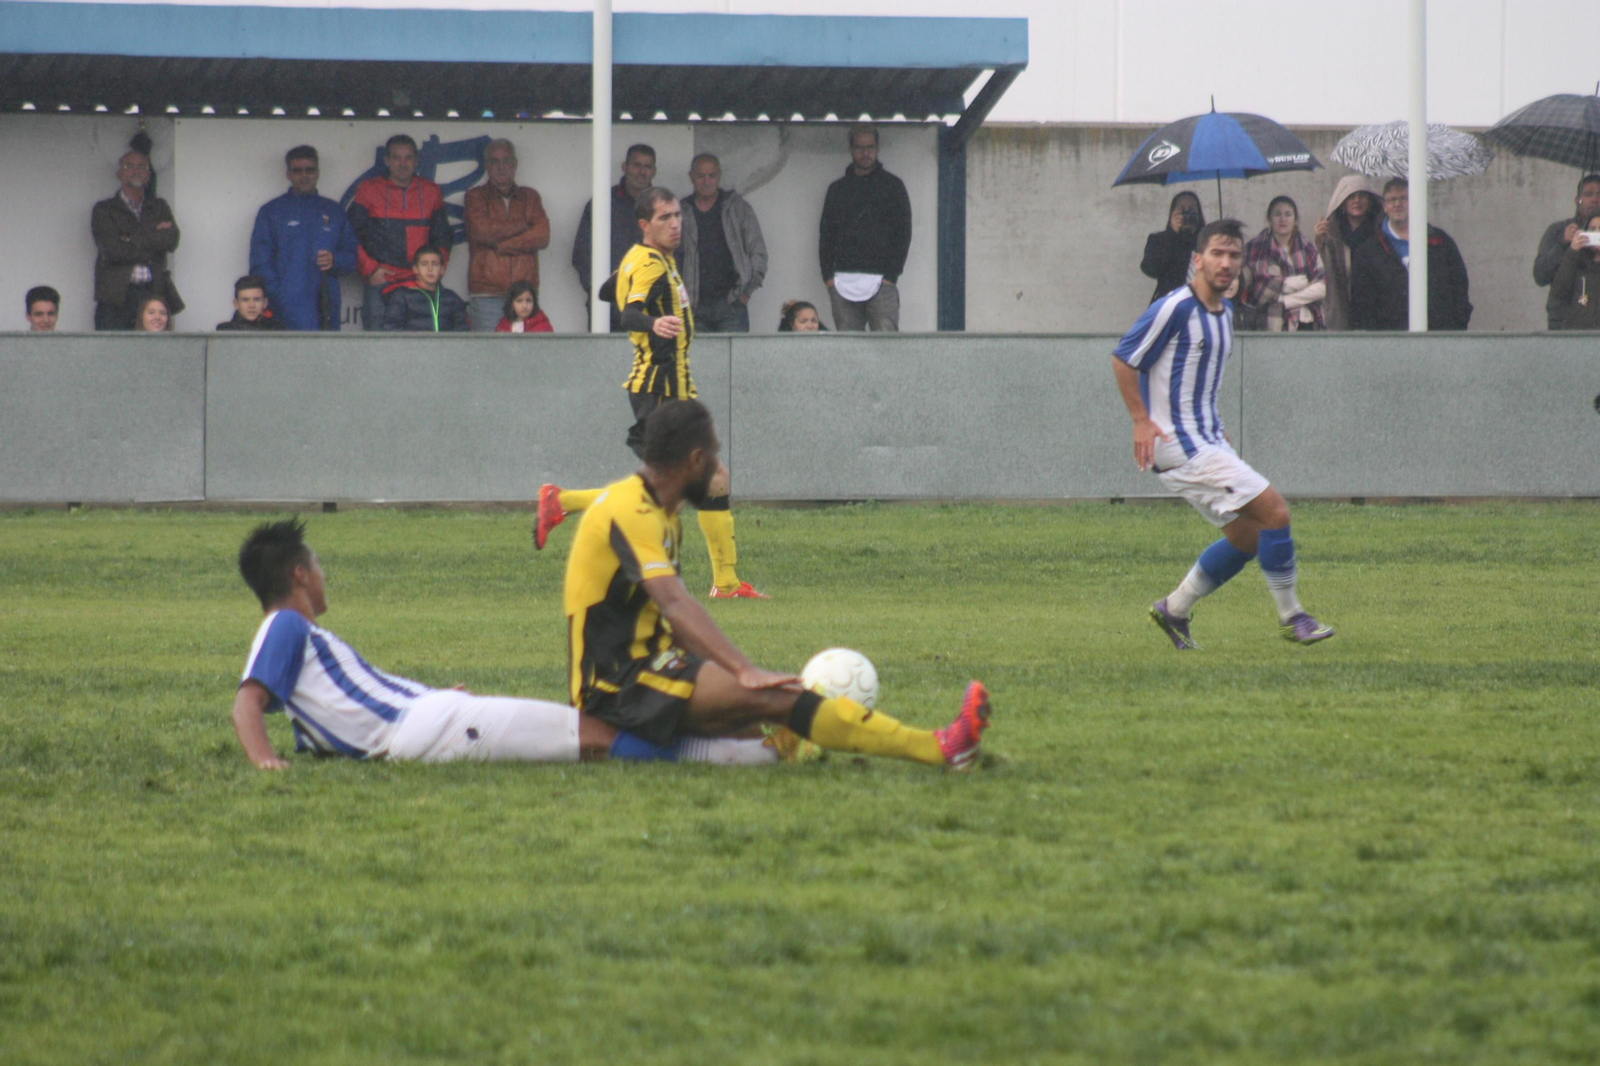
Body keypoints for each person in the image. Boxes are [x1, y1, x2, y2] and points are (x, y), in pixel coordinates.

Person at [561, 398, 992, 768]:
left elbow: (663, 619)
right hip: (616, 685)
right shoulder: (628, 511)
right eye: (714, 455)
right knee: (782, 698)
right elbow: (674, 604)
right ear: (695, 461)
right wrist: (742, 672)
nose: (720, 467)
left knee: (761, 716)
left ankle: (791, 744)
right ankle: (942, 747)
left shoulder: (661, 512)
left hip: (652, 666)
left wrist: (721, 679)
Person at [230, 518, 776, 770]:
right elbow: (247, 702)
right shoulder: (284, 625)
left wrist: (426, 695)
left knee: (590, 738)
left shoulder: (302, 643)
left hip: (427, 720)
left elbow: (340, 712)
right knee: (594, 736)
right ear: (299, 575)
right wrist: (263, 762)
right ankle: (752, 757)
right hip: (429, 727)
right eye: (318, 566)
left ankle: (747, 747)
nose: (325, 576)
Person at [1111, 218, 1334, 649]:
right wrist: (1140, 420)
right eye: (1217, 253)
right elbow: (1124, 359)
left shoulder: (1224, 313)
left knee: (1247, 536)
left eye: (1234, 255)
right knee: (1275, 513)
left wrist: (1217, 426)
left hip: (1205, 440)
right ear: (1197, 259)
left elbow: (1198, 380)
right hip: (1180, 446)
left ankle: (1173, 609)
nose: (1226, 262)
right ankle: (1293, 618)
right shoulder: (1174, 307)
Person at [536, 188, 765, 601]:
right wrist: (653, 323)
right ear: (645, 225)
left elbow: (612, 290)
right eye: (665, 218)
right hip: (658, 386)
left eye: (678, 215)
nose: (675, 224)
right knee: (665, 490)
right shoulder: (649, 265)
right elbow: (626, 312)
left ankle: (727, 584)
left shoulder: (646, 259)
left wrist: (628, 288)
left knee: (710, 479)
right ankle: (562, 502)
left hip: (673, 387)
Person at [249, 145, 360, 331]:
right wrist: (279, 294)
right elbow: (260, 262)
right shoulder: (271, 211)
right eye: (297, 171)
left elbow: (352, 256)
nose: (304, 175)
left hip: (325, 302)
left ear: (317, 173)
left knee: (326, 357)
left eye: (309, 170)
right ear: (288, 174)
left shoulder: (333, 210)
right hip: (284, 306)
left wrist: (335, 260)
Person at [347, 134, 452, 331]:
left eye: (408, 158)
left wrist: (433, 271)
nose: (402, 164)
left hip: (421, 283)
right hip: (382, 282)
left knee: (428, 347)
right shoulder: (369, 189)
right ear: (386, 160)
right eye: (396, 158)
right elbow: (350, 235)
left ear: (416, 160)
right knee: (378, 348)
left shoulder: (431, 191)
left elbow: (443, 237)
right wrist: (370, 269)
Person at [818, 125, 912, 332]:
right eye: (860, 148)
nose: (865, 153)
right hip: (842, 281)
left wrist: (891, 276)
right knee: (850, 349)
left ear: (877, 148)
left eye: (870, 147)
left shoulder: (893, 187)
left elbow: (903, 233)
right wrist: (828, 277)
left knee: (886, 347)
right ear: (851, 150)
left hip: (882, 281)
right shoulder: (837, 190)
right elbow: (826, 235)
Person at [1349, 179, 1471, 331]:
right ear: (1384, 207)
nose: (1397, 204)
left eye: (1404, 198)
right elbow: (1362, 303)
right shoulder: (1369, 251)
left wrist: (1457, 324)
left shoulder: (1440, 242)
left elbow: (1459, 287)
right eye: (1391, 199)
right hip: (1389, 342)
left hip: (1439, 337)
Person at [463, 139, 550, 332]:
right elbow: (482, 231)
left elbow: (542, 236)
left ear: (515, 164)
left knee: (526, 357)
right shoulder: (475, 196)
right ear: (486, 165)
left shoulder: (530, 197)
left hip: (524, 295)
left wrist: (502, 245)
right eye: (494, 161)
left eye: (506, 161)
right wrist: (521, 225)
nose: (501, 167)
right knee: (489, 357)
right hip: (487, 295)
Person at [92, 150, 183, 331]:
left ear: (149, 174)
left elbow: (172, 240)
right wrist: (153, 237)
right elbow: (113, 250)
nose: (136, 171)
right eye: (129, 166)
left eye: (142, 166)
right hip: (117, 296)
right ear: (119, 173)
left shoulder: (159, 206)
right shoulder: (105, 209)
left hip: (153, 292)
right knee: (114, 352)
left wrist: (129, 238)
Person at [678, 153, 768, 334]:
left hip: (731, 304)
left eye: (711, 175)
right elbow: (668, 256)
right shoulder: (681, 211)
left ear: (719, 176)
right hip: (693, 306)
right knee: (696, 361)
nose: (706, 181)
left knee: (735, 360)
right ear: (691, 177)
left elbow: (757, 252)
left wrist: (745, 293)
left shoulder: (737, 207)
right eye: (700, 175)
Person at [572, 144, 657, 332]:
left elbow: (677, 254)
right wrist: (602, 292)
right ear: (624, 167)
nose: (641, 172)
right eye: (636, 165)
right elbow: (581, 255)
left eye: (647, 166)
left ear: (654, 171)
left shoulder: (663, 207)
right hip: (608, 307)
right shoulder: (602, 203)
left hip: (651, 306)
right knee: (603, 360)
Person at [1241, 196, 1326, 331]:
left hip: (1306, 321)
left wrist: (1284, 300)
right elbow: (1257, 289)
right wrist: (1293, 283)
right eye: (1277, 214)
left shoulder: (1308, 248)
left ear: (1295, 220)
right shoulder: (1255, 248)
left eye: (1288, 214)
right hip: (1271, 323)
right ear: (1269, 219)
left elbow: (1321, 288)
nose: (1283, 219)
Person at [1312, 176, 1380, 331]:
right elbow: (1322, 273)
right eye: (1351, 197)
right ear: (1342, 202)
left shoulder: (1380, 231)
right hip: (1341, 311)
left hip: (1374, 312)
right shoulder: (1332, 234)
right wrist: (1320, 242)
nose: (1357, 201)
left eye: (1361, 195)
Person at [1533, 173, 1600, 330]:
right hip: (1563, 320)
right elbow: (1540, 276)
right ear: (1577, 200)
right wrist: (1563, 243)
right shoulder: (1558, 230)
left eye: (1599, 194)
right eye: (1588, 194)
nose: (1595, 199)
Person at [381, 246, 469, 332]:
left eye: (435, 264)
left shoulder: (452, 298)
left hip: (445, 346)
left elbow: (463, 331)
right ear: (415, 269)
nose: (430, 269)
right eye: (424, 264)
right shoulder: (402, 296)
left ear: (442, 269)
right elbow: (391, 329)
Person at [1140, 191, 1205, 304]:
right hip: (1169, 303)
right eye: (1182, 210)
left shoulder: (1207, 241)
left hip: (1202, 302)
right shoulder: (1159, 239)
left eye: (1191, 209)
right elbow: (1150, 269)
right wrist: (1172, 235)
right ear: (1172, 214)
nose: (1187, 214)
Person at [1549, 215, 1600, 330]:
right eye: (1592, 230)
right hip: (1578, 336)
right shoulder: (1577, 261)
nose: (1597, 233)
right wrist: (1573, 251)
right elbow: (1558, 292)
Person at [215, 275, 285, 331]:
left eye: (257, 300)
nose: (251, 305)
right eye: (245, 300)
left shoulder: (277, 330)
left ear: (265, 303)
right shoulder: (225, 331)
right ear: (236, 304)